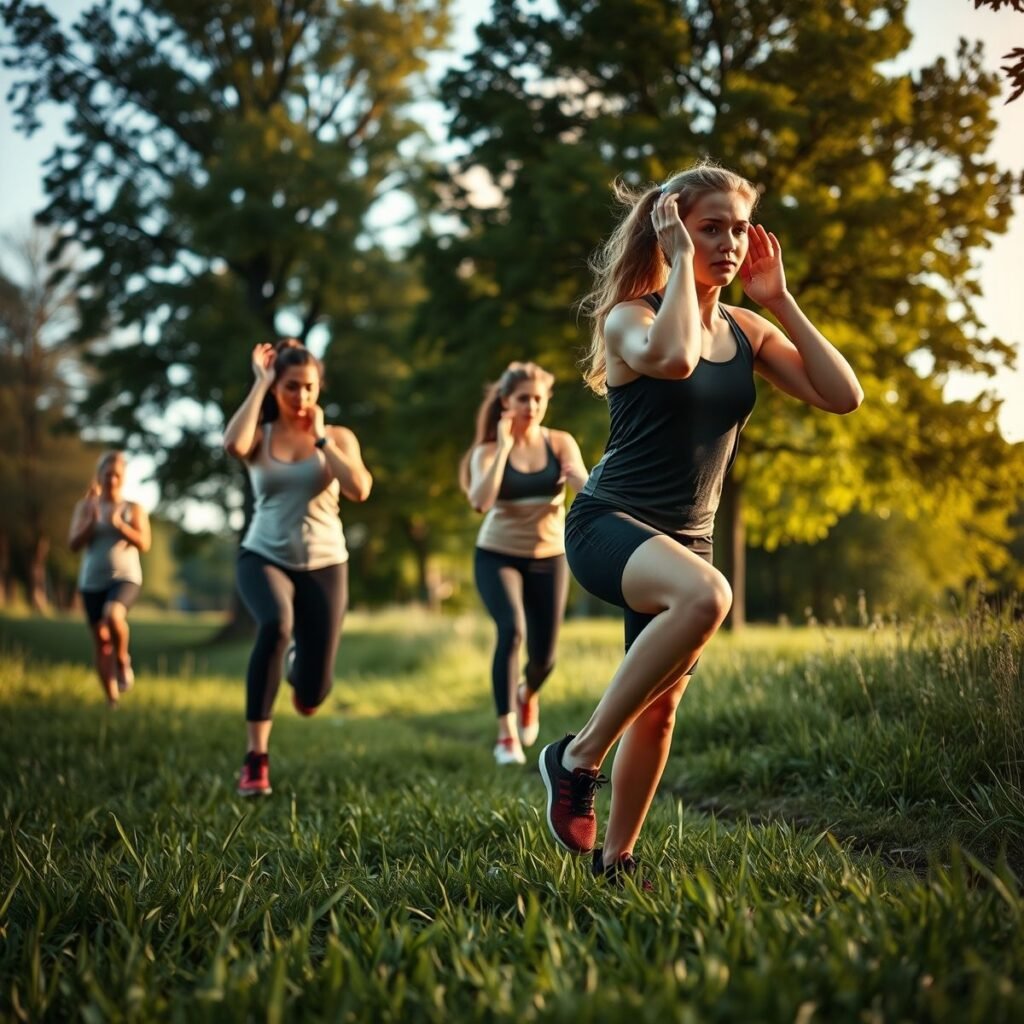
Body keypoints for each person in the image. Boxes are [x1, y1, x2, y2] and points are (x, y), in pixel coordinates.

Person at [539, 161, 863, 883]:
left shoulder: (748, 330)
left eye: (738, 227)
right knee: (710, 595)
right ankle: (576, 757)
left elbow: (844, 396)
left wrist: (780, 301)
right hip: (609, 524)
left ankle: (616, 861)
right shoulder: (632, 315)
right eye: (708, 227)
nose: (727, 241)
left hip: (687, 538)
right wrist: (681, 263)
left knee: (659, 713)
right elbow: (677, 359)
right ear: (672, 228)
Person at [223, 339, 372, 797]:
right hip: (263, 555)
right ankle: (255, 759)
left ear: (318, 387)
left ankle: (298, 670)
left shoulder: (338, 436)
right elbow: (232, 444)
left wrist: (322, 437)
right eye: (290, 387)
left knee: (313, 694)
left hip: (326, 563)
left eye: (308, 387)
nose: (301, 397)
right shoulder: (260, 434)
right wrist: (260, 382)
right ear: (276, 388)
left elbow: (359, 489)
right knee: (275, 624)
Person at [461, 362, 588, 765]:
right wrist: (502, 448)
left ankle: (527, 695)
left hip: (548, 558)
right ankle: (506, 735)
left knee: (545, 658)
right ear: (506, 403)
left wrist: (576, 481)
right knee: (511, 631)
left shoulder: (560, 443)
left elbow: (587, 492)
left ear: (546, 400)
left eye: (538, 398)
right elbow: (481, 502)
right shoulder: (486, 452)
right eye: (523, 399)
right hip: (497, 555)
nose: (531, 406)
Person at [68, 451, 151, 708]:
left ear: (123, 478)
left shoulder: (133, 508)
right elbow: (73, 544)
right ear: (99, 476)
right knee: (101, 642)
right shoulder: (86, 507)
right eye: (107, 474)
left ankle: (123, 659)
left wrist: (120, 526)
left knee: (114, 615)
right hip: (91, 581)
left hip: (125, 577)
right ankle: (111, 700)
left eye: (117, 475)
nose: (112, 479)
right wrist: (91, 524)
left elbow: (145, 543)